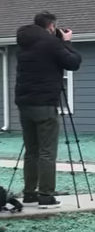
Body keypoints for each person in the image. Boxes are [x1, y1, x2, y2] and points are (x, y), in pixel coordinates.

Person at [15, 11, 82, 208]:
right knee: (46, 151)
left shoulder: (24, 43)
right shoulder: (51, 43)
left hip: (24, 103)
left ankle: (29, 193)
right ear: (51, 26)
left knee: (31, 150)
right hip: (44, 104)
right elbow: (73, 62)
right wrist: (67, 42)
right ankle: (46, 195)